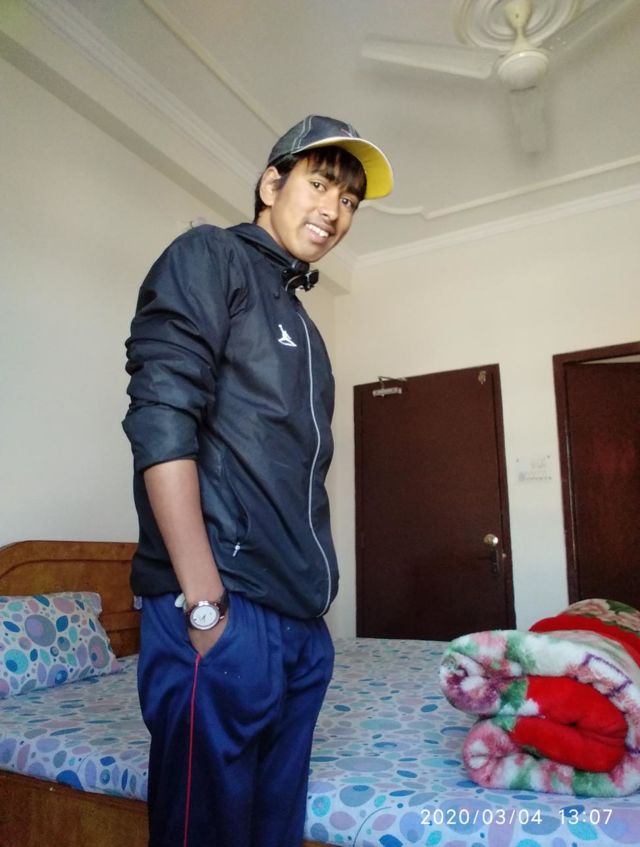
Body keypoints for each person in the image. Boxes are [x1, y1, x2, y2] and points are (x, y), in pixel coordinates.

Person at [122, 114, 393, 847]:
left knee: (271, 831)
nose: (335, 211)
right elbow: (162, 419)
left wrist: (313, 626)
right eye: (321, 184)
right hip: (226, 610)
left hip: (299, 628)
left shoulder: (305, 328)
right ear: (272, 184)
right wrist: (205, 604)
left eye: (350, 201)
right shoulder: (209, 256)